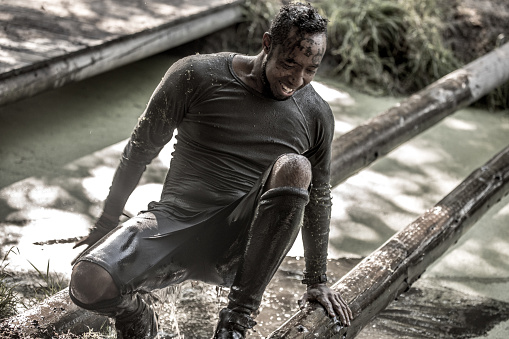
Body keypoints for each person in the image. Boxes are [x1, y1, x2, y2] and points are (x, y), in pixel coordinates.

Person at [69, 2, 353, 338]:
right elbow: (140, 149)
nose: (297, 79)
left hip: (240, 247)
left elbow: (319, 196)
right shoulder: (195, 75)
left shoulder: (316, 114)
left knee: (296, 167)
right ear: (266, 44)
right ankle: (137, 317)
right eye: (289, 63)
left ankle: (236, 322)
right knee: (88, 280)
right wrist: (106, 221)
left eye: (311, 70)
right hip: (174, 224)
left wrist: (317, 281)